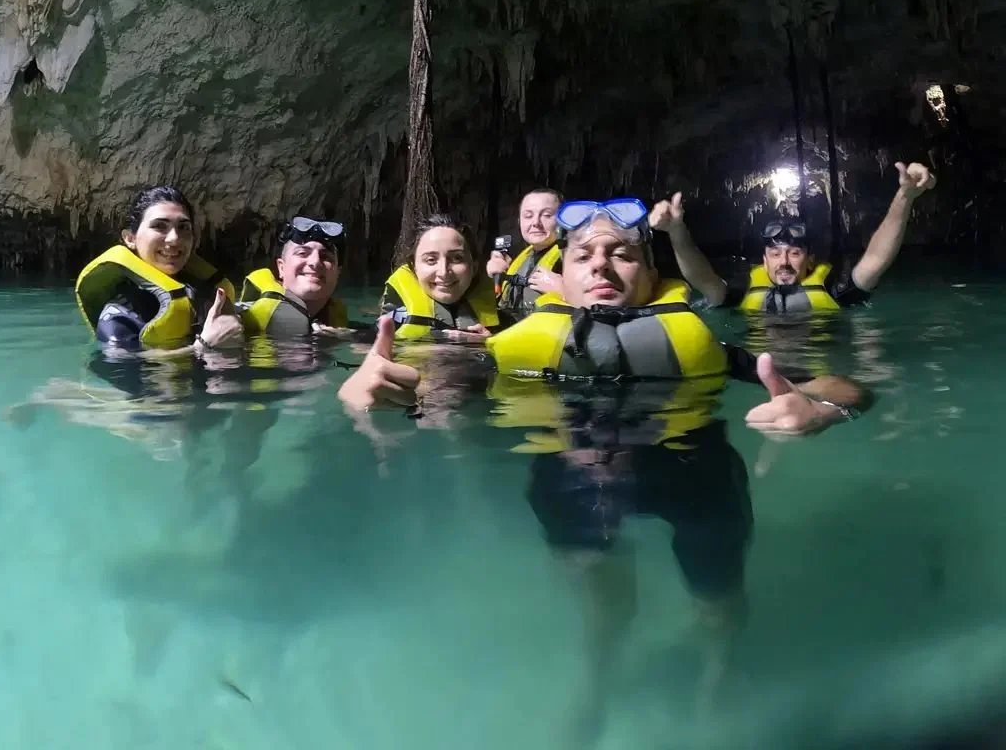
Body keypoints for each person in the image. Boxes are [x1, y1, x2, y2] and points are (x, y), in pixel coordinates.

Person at [340, 198, 869, 720]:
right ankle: (600, 674)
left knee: (717, 598)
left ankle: (720, 665)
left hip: (693, 474)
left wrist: (820, 410)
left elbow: (844, 387)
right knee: (602, 602)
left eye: (622, 253)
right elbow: (434, 392)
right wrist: (377, 391)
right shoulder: (520, 348)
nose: (600, 264)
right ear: (561, 278)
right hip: (572, 476)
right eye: (584, 255)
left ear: (650, 273)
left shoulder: (694, 342)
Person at [651, 162, 937, 314]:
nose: (784, 262)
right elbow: (702, 279)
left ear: (811, 259)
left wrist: (905, 197)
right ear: (763, 260)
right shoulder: (741, 293)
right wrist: (677, 232)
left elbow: (876, 258)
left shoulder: (835, 290)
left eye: (794, 253)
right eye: (775, 254)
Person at [75, 185, 243, 353]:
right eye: (159, 226)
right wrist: (204, 345)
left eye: (183, 227)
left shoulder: (208, 295)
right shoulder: (120, 316)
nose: (174, 239)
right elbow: (123, 370)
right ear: (130, 238)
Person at [382, 212, 505, 340]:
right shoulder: (391, 324)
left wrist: (490, 344)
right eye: (431, 260)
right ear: (414, 268)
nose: (444, 272)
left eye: (457, 258)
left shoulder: (504, 325)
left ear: (474, 268)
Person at [238, 217, 349, 338]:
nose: (315, 262)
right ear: (281, 268)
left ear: (338, 272)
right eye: (302, 253)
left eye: (325, 257)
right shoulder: (245, 318)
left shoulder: (340, 327)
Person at [485, 188, 564, 320]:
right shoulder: (519, 259)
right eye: (528, 216)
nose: (535, 223)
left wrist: (564, 292)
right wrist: (489, 279)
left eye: (547, 215)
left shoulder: (574, 259)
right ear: (519, 221)